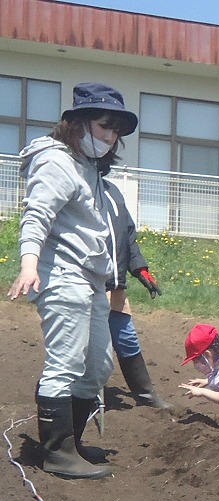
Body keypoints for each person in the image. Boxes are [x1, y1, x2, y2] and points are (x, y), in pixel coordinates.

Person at [8, 83, 138, 479]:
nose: (110, 137)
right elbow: (37, 216)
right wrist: (30, 265)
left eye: (115, 131)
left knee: (98, 365)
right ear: (78, 123)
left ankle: (73, 443)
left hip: (91, 278)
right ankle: (57, 453)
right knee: (65, 363)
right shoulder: (56, 163)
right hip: (62, 274)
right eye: (104, 127)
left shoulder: (88, 168)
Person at [99, 166, 167, 409]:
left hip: (115, 287)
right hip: (88, 285)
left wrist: (140, 269)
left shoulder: (113, 192)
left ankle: (146, 395)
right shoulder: (81, 190)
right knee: (82, 347)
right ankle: (64, 399)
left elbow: (128, 236)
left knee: (126, 339)